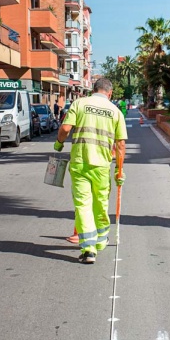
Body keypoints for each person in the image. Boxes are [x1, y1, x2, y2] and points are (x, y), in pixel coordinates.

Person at [54, 78, 127, 264]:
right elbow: (120, 145)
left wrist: (59, 143)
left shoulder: (79, 103)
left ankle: (88, 249)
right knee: (100, 204)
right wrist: (119, 170)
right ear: (109, 93)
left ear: (93, 90)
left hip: (80, 163)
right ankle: (101, 241)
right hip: (102, 166)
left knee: (83, 205)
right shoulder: (115, 111)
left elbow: (65, 128)